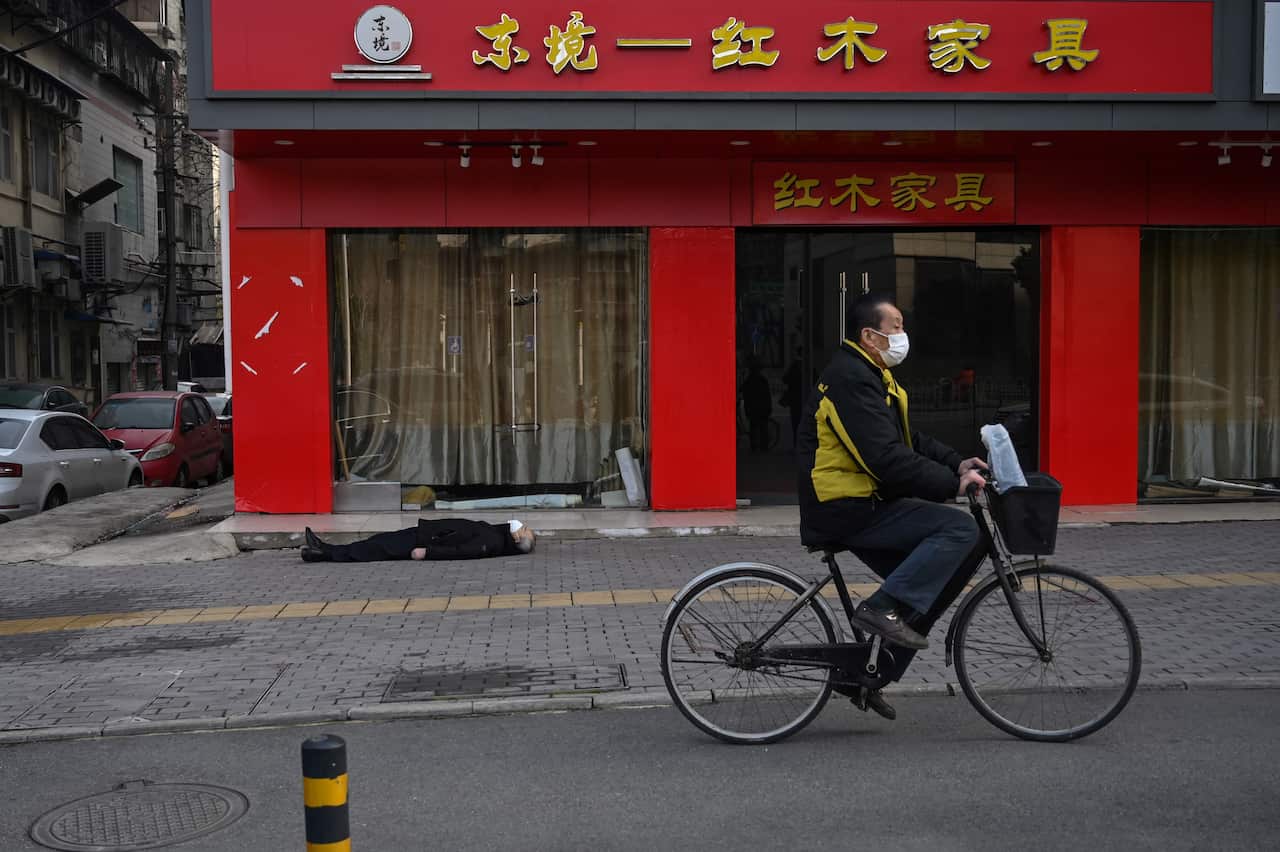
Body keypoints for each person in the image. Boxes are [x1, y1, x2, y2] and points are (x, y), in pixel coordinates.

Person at [796, 292, 988, 721]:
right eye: (897, 326)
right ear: (870, 335)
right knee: (957, 531)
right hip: (843, 506)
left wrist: (957, 462)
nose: (904, 335)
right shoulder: (850, 379)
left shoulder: (872, 375)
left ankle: (870, 672)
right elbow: (885, 458)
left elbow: (908, 439)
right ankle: (879, 608)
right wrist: (953, 486)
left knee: (942, 576)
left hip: (861, 502)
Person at [301, 518, 536, 562]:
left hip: (426, 541)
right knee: (377, 543)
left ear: (518, 539)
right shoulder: (497, 534)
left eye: (525, 530)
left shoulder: (493, 542)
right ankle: (324, 550)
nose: (523, 526)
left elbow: (462, 551)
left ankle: (324, 552)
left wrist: (427, 552)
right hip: (426, 534)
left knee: (376, 548)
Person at [741, 357, 773, 453]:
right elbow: (767, 395)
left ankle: (754, 446)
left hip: (752, 408)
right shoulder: (762, 380)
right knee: (763, 428)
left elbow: (744, 392)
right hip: (762, 408)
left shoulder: (749, 381)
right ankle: (764, 446)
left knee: (754, 427)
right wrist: (769, 407)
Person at [780, 349, 804, 443]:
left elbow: (785, 379)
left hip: (795, 399)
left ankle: (796, 442)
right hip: (804, 398)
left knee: (795, 422)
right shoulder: (808, 365)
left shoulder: (794, 366)